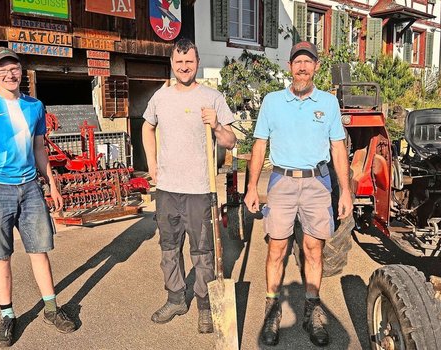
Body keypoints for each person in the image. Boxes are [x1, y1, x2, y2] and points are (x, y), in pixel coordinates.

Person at [0, 47, 77, 347]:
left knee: (39, 249)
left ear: (21, 72)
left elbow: (40, 148)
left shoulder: (35, 106)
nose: (9, 74)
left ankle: (51, 308)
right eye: (3, 69)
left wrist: (51, 182)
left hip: (29, 189)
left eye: (14, 68)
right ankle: (8, 316)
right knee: (1, 255)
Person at [243, 41, 353, 347]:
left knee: (313, 249)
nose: (302, 67)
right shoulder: (272, 101)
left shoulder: (329, 103)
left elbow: (338, 148)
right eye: (297, 62)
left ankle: (311, 311)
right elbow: (260, 145)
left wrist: (345, 190)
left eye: (308, 62)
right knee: (276, 249)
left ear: (316, 67)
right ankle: (271, 310)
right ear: (290, 67)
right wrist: (252, 187)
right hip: (282, 182)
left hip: (318, 184)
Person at [142, 38, 237, 333]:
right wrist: (153, 164)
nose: (184, 67)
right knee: (169, 246)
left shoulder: (212, 97)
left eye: (190, 62)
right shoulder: (161, 97)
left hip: (200, 188)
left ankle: (205, 305)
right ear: (172, 63)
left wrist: (218, 126)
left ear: (197, 63)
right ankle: (175, 299)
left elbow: (231, 141)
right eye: (179, 62)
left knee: (203, 252)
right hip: (168, 188)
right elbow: (147, 127)